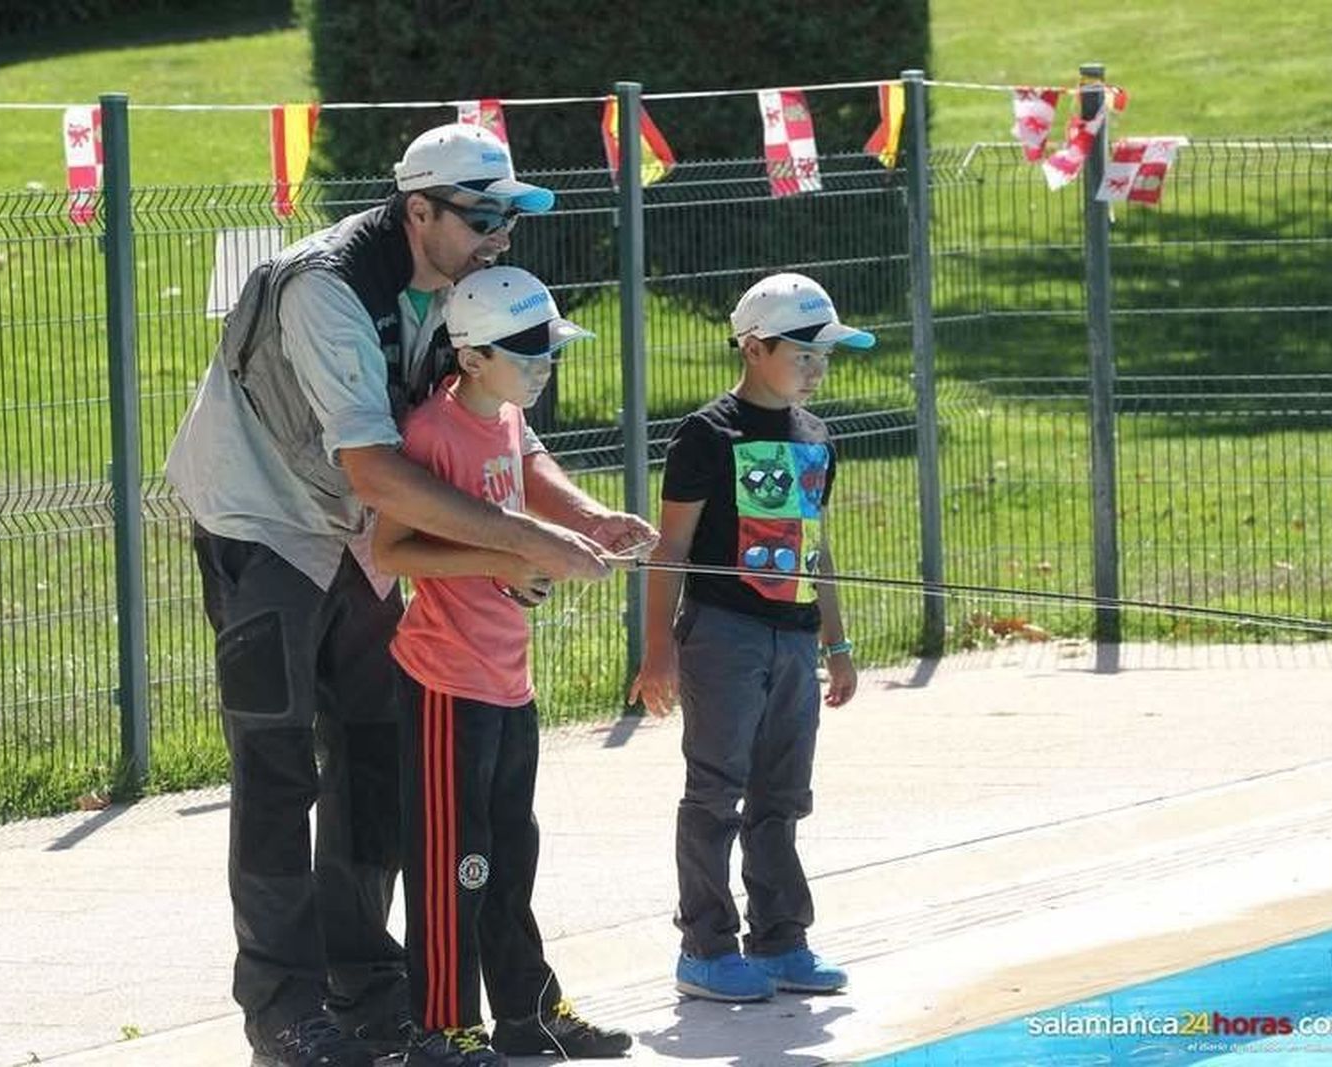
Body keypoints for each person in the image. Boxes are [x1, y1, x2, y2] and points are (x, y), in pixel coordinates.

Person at [166, 124, 655, 1067]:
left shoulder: (455, 290)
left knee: (376, 760)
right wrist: (525, 541)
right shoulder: (326, 287)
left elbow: (503, 433)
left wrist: (585, 517)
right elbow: (378, 470)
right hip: (259, 520)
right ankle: (283, 1011)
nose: (500, 237)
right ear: (417, 208)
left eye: (508, 216)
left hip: (358, 530)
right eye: (482, 217)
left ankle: (367, 990)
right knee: (278, 771)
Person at [372, 266, 634, 1066]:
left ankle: (528, 1012)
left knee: (511, 853)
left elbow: (529, 466)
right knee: (461, 858)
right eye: (528, 352)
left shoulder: (506, 414)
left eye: (548, 347)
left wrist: (593, 520)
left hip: (506, 679)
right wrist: (508, 555)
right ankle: (443, 1024)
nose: (544, 363)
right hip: (446, 684)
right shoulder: (431, 433)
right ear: (474, 356)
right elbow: (392, 549)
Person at [626, 272, 868, 1004]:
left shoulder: (818, 437)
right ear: (755, 346)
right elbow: (672, 547)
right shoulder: (707, 433)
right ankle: (704, 946)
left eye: (826, 354)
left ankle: (781, 937)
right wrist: (659, 647)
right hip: (723, 634)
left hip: (795, 637)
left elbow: (816, 546)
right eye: (804, 353)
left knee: (783, 793)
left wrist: (837, 641)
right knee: (716, 790)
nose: (818, 368)